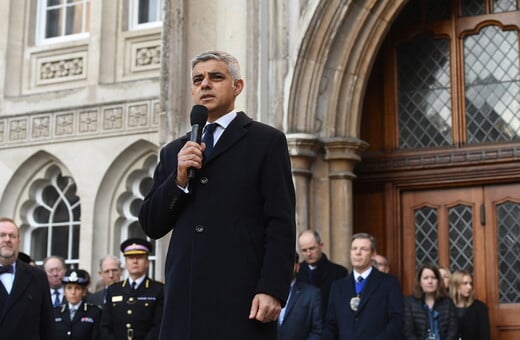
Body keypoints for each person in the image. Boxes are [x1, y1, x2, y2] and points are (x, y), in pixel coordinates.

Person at [138, 50, 296, 339]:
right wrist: (179, 179)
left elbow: (280, 223)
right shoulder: (175, 151)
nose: (205, 84)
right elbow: (151, 224)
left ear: (238, 86)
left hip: (241, 298)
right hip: (184, 302)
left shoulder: (265, 141)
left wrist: (272, 288)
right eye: (198, 79)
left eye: (216, 77)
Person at [322, 232, 404, 339]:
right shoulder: (338, 286)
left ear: (373, 254)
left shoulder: (388, 283)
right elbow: (330, 324)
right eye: (354, 249)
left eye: (363, 249)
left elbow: (397, 321)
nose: (358, 253)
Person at [0, 217, 55, 339]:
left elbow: (47, 325)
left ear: (18, 241)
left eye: (12, 236)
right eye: (2, 235)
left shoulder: (37, 276)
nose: (7, 239)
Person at [100, 238, 164, 340]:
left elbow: (158, 325)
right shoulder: (114, 290)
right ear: (125, 262)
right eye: (130, 257)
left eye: (139, 257)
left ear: (147, 261)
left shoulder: (158, 290)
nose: (135, 261)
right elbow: (105, 326)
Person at [296, 230, 348, 318]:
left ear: (321, 246)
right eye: (304, 250)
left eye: (312, 248)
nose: (308, 253)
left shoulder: (339, 272)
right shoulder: (297, 272)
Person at [403, 263, 458, 340]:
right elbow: (408, 331)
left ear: (438, 281)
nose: (430, 281)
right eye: (426, 278)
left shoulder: (448, 303)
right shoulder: (409, 303)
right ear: (419, 282)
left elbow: (453, 330)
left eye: (433, 278)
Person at [277, 253, 322, 340]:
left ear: (297, 267)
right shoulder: (267, 294)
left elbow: (317, 331)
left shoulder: (312, 294)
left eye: (288, 263)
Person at [54, 268, 102, 340]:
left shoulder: (94, 313)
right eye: (69, 288)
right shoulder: (55, 312)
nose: (73, 292)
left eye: (77, 288)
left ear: (83, 292)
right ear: (64, 291)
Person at [450, 270, 490, 340]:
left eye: (470, 283)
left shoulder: (480, 308)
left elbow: (485, 336)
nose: (469, 287)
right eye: (465, 283)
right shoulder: (448, 306)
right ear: (456, 285)